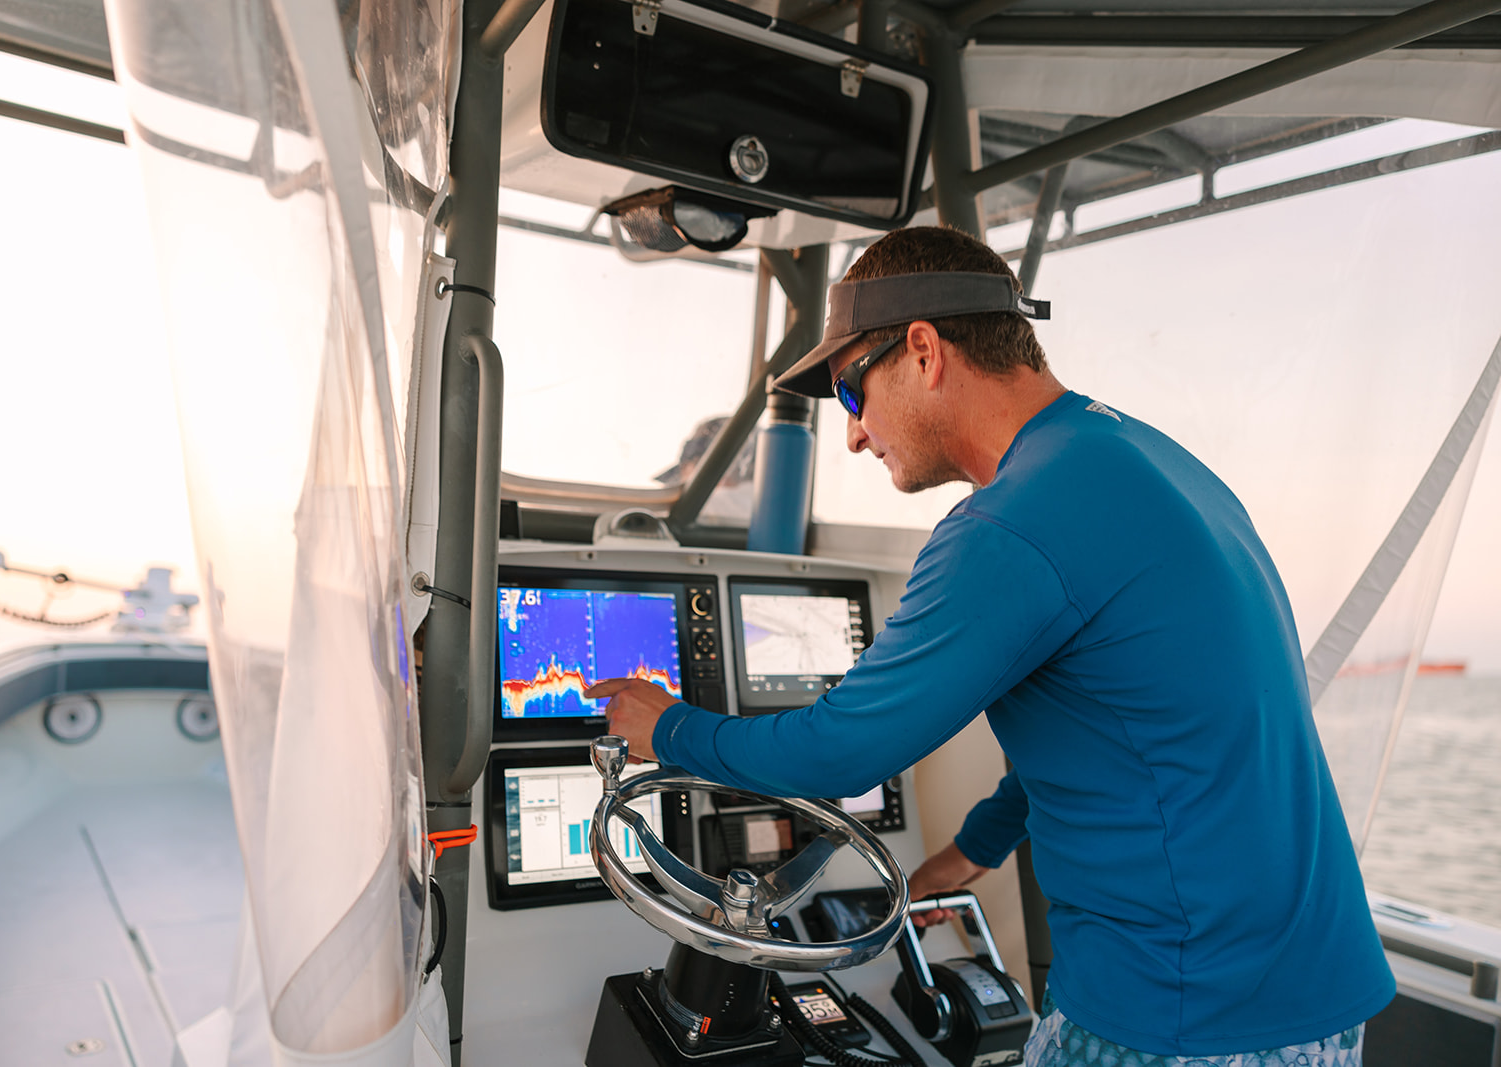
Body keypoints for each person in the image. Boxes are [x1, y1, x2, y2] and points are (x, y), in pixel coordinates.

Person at [585, 226, 1394, 1066]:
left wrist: (668, 727)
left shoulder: (1011, 524)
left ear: (925, 351)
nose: (855, 435)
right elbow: (1118, 724)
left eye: (853, 394)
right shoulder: (1147, 459)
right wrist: (962, 856)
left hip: (1182, 1015)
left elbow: (839, 754)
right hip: (1311, 1004)